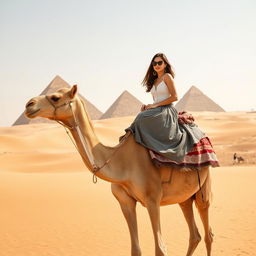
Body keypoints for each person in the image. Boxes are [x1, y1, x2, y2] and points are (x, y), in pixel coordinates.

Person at [124, 53, 219, 168]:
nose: (157, 65)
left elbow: (174, 97)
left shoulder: (167, 77)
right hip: (157, 109)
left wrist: (155, 106)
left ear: (165, 64)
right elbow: (156, 100)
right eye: (154, 63)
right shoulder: (154, 81)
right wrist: (148, 106)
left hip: (166, 110)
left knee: (141, 118)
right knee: (142, 115)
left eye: (160, 63)